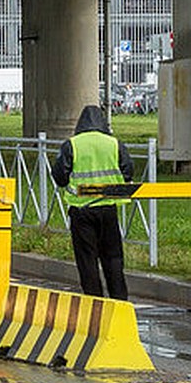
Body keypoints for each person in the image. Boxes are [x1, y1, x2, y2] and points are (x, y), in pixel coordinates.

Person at [50, 104, 133, 299]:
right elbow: (128, 171)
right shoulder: (114, 143)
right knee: (113, 258)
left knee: (87, 260)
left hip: (82, 211)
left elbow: (60, 176)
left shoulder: (72, 144)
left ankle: (94, 302)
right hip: (108, 209)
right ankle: (119, 301)